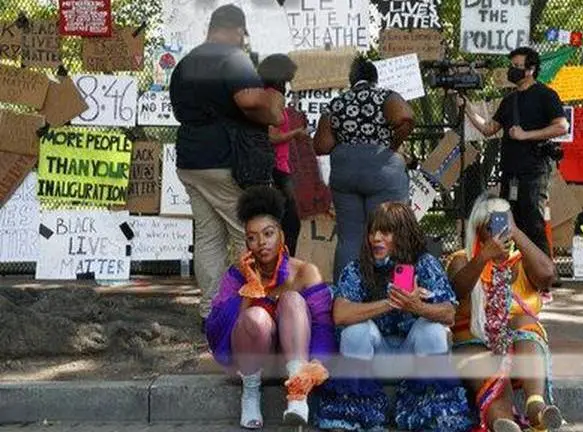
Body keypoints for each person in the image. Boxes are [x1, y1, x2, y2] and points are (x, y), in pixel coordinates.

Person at [169, 4, 285, 322]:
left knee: (207, 236)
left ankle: (211, 311)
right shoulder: (231, 58)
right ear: (237, 30)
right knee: (246, 233)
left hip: (191, 160)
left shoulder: (186, 64)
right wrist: (272, 105)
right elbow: (249, 100)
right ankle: (250, 312)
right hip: (226, 161)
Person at [315, 202, 472, 431]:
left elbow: (448, 313)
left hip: (413, 359)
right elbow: (340, 314)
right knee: (355, 330)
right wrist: (391, 303)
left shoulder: (425, 264)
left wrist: (415, 306)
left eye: (385, 232)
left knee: (433, 329)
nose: (376, 238)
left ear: (403, 235)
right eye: (372, 231)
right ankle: (354, 417)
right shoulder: (358, 268)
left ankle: (431, 417)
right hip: (375, 358)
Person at [204, 186, 335, 428]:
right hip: (252, 363)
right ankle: (251, 395)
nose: (261, 243)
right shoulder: (237, 274)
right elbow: (215, 329)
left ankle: (298, 393)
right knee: (255, 316)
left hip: (294, 357)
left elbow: (323, 324)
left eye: (268, 233)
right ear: (246, 242)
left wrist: (318, 363)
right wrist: (249, 290)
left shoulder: (305, 272)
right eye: (252, 237)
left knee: (293, 300)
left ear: (282, 235)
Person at [447, 193, 561, 432]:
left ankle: (536, 408)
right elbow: (458, 289)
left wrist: (516, 231)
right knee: (496, 380)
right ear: (478, 230)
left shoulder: (521, 260)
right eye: (491, 228)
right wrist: (484, 256)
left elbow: (548, 275)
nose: (500, 234)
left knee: (525, 322)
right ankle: (505, 425)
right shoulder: (462, 260)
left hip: (518, 350)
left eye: (503, 226)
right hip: (473, 342)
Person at [313, 57, 415, 282]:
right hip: (383, 169)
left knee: (349, 239)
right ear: (375, 78)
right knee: (393, 232)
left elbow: (320, 146)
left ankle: (345, 297)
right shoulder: (384, 96)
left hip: (345, 174)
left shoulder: (337, 103)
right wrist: (393, 146)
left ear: (352, 80)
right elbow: (406, 117)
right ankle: (401, 292)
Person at [463, 47, 569, 256]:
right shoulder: (509, 100)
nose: (512, 70)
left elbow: (562, 126)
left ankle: (544, 273)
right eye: (511, 66)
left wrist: (526, 135)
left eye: (517, 66)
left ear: (530, 69)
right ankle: (507, 268)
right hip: (510, 171)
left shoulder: (546, 95)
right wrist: (467, 108)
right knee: (504, 218)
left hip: (534, 170)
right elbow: (488, 128)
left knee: (532, 220)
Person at [258, 54, 306, 255]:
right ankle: (285, 264)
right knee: (290, 222)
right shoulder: (274, 96)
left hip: (278, 165)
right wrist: (296, 132)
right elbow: (272, 135)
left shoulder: (264, 95)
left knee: (283, 220)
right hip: (277, 167)